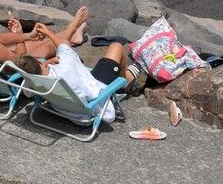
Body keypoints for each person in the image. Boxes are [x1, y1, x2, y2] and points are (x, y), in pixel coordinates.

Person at [15, 22, 145, 124]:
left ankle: (124, 79)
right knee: (116, 47)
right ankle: (124, 84)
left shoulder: (32, 80)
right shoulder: (66, 66)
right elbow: (64, 46)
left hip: (64, 106)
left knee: (74, 57)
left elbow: (61, 52)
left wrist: (48, 62)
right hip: (93, 101)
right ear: (38, 63)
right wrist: (48, 32)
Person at [0, 4, 89, 63]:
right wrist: (19, 37)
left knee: (33, 41)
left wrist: (28, 35)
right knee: (46, 46)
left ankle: (73, 37)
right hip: (13, 74)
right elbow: (22, 62)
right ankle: (72, 28)